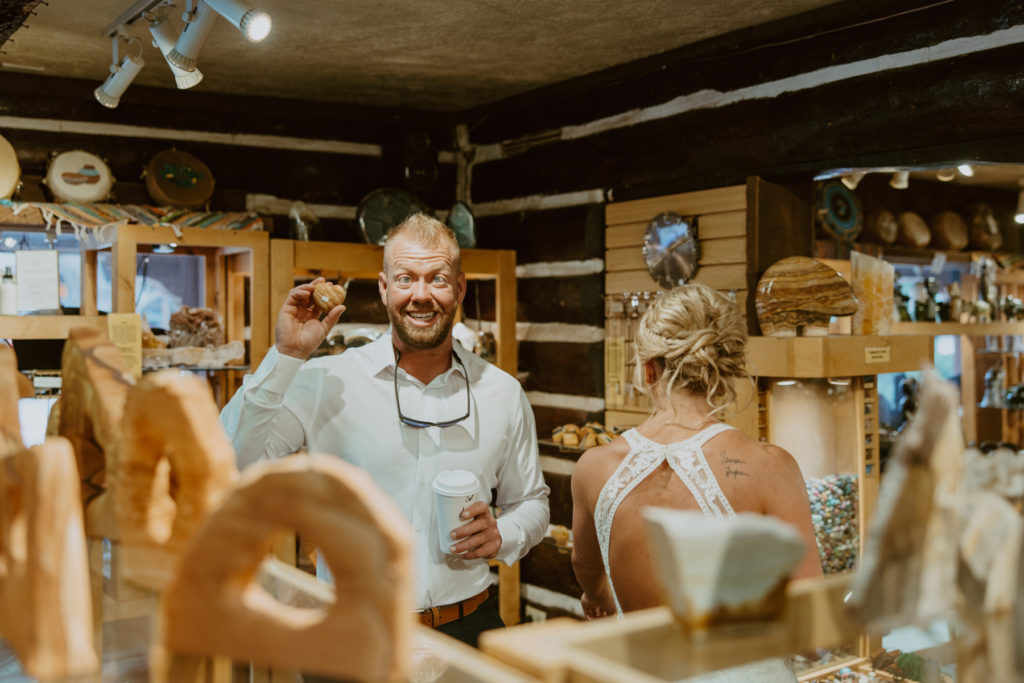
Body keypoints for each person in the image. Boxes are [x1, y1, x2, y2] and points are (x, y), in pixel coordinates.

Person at [220, 213, 550, 647]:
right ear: (383, 288)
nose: (421, 295)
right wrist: (285, 356)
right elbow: (231, 465)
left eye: (437, 279)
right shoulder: (325, 380)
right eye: (406, 279)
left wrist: (504, 533)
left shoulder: (502, 392)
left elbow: (532, 501)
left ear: (461, 288)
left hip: (467, 629)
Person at [571, 283, 822, 681]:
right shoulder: (770, 468)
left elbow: (586, 565)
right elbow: (811, 632)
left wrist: (597, 595)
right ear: (727, 370)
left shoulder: (593, 467)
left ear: (648, 368)